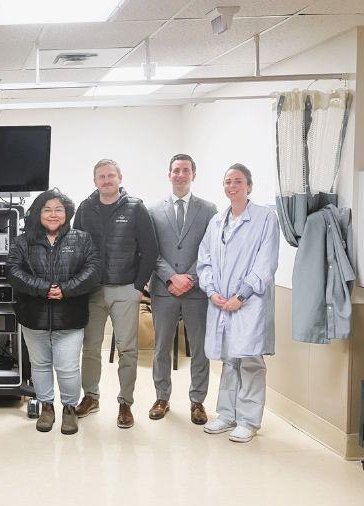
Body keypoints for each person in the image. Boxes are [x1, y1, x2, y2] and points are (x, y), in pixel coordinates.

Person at [197, 163, 279, 443]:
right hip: (220, 302)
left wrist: (241, 295)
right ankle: (227, 415)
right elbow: (204, 260)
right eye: (228, 181)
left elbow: (265, 263)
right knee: (230, 359)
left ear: (249, 186)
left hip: (248, 303)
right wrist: (211, 291)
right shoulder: (217, 221)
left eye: (238, 181)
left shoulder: (266, 218)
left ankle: (248, 420)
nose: (232, 186)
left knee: (250, 362)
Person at [6, 190, 100, 435]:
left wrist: (65, 290)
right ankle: (47, 407)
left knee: (68, 367)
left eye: (58, 209)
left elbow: (93, 271)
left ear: (67, 213)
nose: (53, 214)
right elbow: (13, 272)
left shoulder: (82, 239)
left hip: (70, 316)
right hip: (33, 316)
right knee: (40, 365)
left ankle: (69, 409)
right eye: (47, 209)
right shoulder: (22, 241)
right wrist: (44, 289)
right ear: (38, 213)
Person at [73, 158, 158, 428]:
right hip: (93, 291)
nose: (106, 180)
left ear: (119, 177)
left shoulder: (136, 208)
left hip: (125, 290)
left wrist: (138, 287)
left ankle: (125, 403)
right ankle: (91, 397)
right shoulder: (85, 209)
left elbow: (150, 250)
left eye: (111, 175)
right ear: (95, 181)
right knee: (91, 347)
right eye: (101, 176)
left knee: (127, 349)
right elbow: (75, 247)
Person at [148, 154, 217, 424]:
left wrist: (189, 277)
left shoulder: (209, 209)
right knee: (161, 347)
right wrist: (170, 277)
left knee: (200, 348)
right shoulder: (153, 209)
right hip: (164, 290)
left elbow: (211, 249)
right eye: (175, 170)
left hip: (196, 290)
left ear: (193, 175)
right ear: (169, 175)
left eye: (185, 170)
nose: (180, 175)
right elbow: (150, 250)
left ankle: (198, 401)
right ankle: (161, 397)